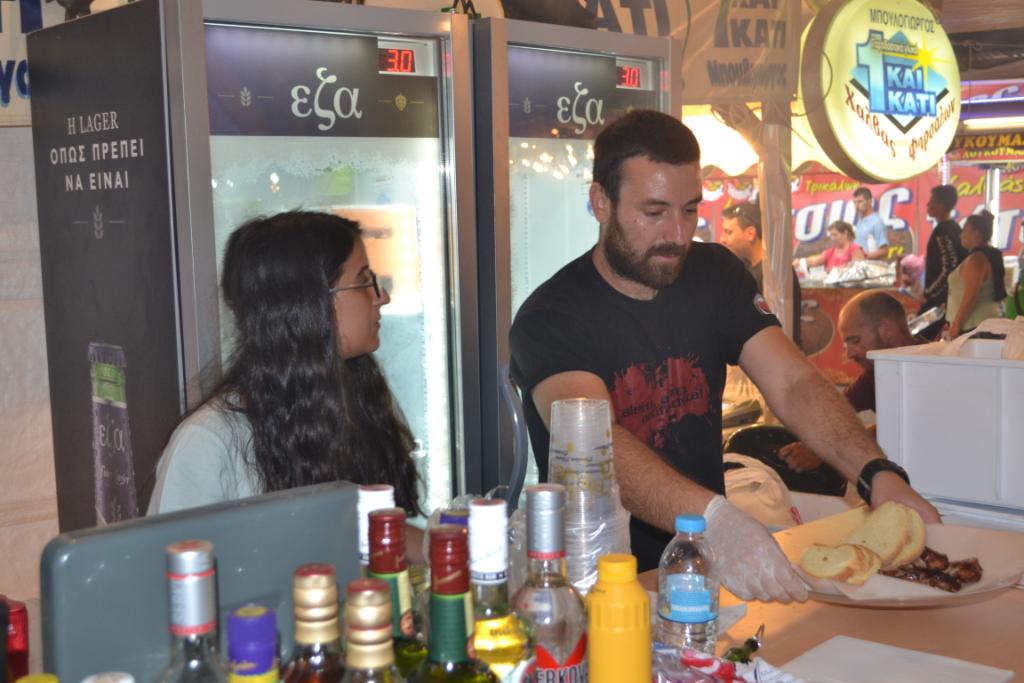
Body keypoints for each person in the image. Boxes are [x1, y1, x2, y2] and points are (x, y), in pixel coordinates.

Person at [509, 110, 938, 603]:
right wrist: (713, 519)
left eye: (689, 210)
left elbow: (793, 383)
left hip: (705, 581)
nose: (676, 234)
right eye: (654, 212)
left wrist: (875, 473)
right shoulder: (551, 316)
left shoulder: (713, 274)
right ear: (600, 203)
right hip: (596, 591)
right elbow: (596, 446)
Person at [148, 211, 423, 521]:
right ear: (307, 303)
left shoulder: (357, 400)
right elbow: (170, 551)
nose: (381, 297)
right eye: (363, 282)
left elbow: (378, 533)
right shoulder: (207, 441)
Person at [778, 291, 919, 473]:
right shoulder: (874, 374)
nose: (850, 354)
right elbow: (837, 408)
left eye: (855, 340)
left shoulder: (934, 368)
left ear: (886, 329)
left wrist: (823, 451)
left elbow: (903, 426)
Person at [720, 202, 802, 347]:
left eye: (729, 232)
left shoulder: (773, 273)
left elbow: (770, 325)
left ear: (750, 234)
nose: (722, 239)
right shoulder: (746, 268)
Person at [946, 210, 1007, 338]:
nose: (961, 235)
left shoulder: (976, 260)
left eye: (964, 230)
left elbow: (971, 296)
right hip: (984, 323)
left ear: (976, 233)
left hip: (976, 326)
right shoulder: (988, 255)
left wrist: (956, 324)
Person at [920, 184, 968, 338]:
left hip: (941, 299)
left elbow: (949, 267)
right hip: (949, 296)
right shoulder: (954, 228)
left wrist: (929, 293)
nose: (927, 204)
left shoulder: (943, 231)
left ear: (940, 205)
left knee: (919, 337)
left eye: (931, 201)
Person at [796, 221, 865, 272]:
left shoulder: (856, 249)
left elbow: (857, 268)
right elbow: (814, 261)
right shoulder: (830, 251)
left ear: (845, 233)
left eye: (835, 235)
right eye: (831, 235)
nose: (832, 238)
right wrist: (801, 262)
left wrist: (835, 270)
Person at [852, 187, 889, 259]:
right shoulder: (859, 221)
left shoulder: (877, 222)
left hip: (871, 265)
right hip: (858, 264)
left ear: (870, 201)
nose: (856, 206)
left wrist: (864, 256)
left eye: (860, 202)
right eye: (854, 202)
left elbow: (885, 251)